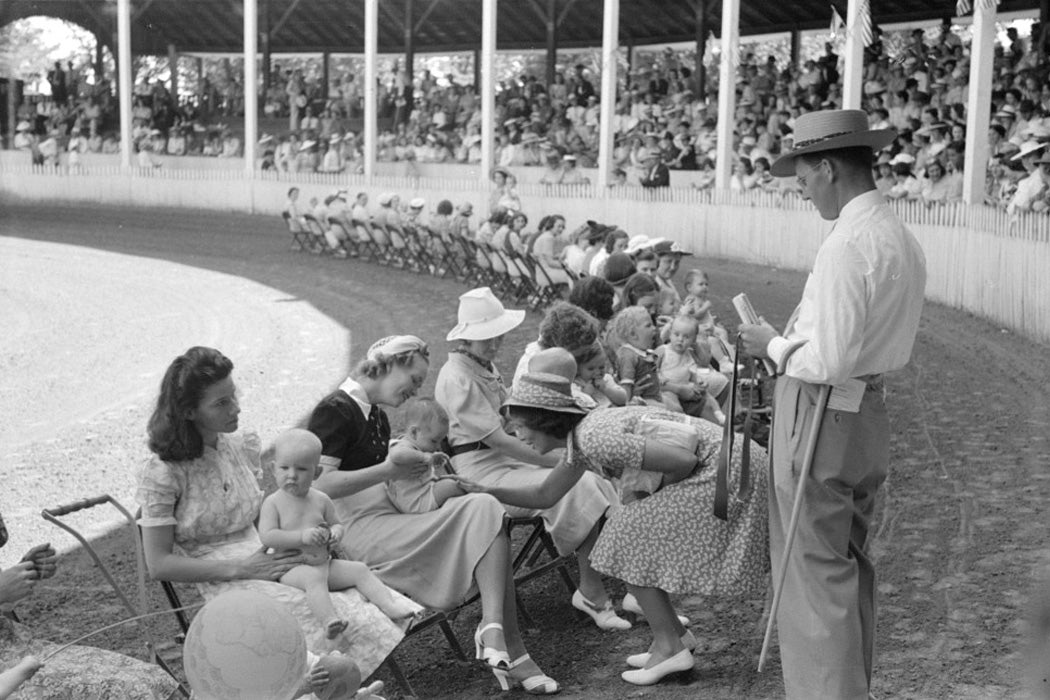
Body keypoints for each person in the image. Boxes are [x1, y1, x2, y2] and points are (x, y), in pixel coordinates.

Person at [741, 109, 926, 699]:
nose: (799, 184)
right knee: (843, 563)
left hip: (821, 410)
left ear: (826, 167)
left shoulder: (849, 242)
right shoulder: (899, 235)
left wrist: (768, 343)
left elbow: (832, 357)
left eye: (802, 171)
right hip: (865, 413)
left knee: (812, 572)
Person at [450, 348, 769, 687]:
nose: (518, 436)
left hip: (730, 470)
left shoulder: (594, 437)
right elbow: (544, 495)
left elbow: (683, 462)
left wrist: (657, 507)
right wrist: (486, 490)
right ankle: (675, 636)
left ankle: (669, 646)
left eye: (520, 426)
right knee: (627, 531)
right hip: (731, 462)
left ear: (544, 420)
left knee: (624, 536)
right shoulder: (581, 441)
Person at [137, 347, 401, 699]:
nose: (236, 408)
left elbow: (263, 513)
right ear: (188, 412)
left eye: (234, 396)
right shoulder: (163, 472)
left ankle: (345, 691)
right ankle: (330, 691)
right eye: (221, 404)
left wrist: (306, 537)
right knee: (294, 617)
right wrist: (244, 567)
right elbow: (158, 564)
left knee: (348, 597)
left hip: (272, 551)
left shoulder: (238, 445)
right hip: (222, 576)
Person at [306, 335, 559, 693]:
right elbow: (319, 487)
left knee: (483, 506)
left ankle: (493, 628)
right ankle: (514, 654)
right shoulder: (336, 408)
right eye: (414, 380)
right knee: (482, 516)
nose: (415, 390)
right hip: (359, 532)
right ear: (390, 364)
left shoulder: (374, 413)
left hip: (392, 516)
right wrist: (390, 470)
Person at [434, 289, 628, 632]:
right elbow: (499, 440)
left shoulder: (482, 365)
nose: (494, 345)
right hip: (483, 466)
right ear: (466, 338)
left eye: (497, 337)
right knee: (575, 483)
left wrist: (562, 455)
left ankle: (620, 581)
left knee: (590, 477)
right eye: (486, 339)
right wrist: (555, 459)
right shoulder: (457, 376)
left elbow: (513, 422)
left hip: (507, 458)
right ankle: (593, 592)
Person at [259, 429, 423, 641]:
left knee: (360, 570)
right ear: (273, 469)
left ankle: (389, 605)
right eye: (284, 468)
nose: (292, 475)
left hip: (325, 564)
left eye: (301, 469)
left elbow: (337, 524)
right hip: (293, 567)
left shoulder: (320, 499)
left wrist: (336, 533)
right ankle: (329, 620)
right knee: (313, 578)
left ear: (316, 473)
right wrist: (302, 537)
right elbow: (268, 536)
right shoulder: (274, 503)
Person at [0, 516, 178, 699]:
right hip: (9, 672)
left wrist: (22, 572)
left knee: (151, 679)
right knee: (127, 690)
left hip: (23, 650)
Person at [384, 398, 465, 514]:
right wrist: (424, 457)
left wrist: (433, 460)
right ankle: (473, 496)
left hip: (421, 492)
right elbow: (397, 455)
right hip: (415, 501)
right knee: (453, 486)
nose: (437, 446)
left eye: (440, 441)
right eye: (434, 441)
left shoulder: (418, 447)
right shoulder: (402, 445)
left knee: (451, 480)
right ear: (414, 432)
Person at [605, 306, 664, 407]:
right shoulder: (628, 355)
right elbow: (626, 384)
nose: (654, 328)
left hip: (654, 398)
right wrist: (627, 405)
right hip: (643, 401)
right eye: (648, 325)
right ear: (633, 334)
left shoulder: (643, 352)